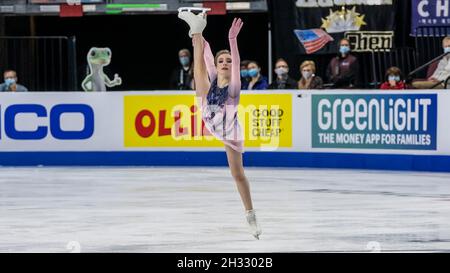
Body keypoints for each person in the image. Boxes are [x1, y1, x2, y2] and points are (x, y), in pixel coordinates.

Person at [178, 10, 261, 239]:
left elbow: (231, 64)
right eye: (221, 60)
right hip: (208, 114)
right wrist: (201, 39)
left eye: (229, 61)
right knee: (199, 70)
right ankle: (196, 30)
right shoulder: (213, 77)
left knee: (238, 175)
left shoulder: (234, 87)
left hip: (230, 131)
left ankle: (250, 215)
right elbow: (206, 56)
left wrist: (232, 41)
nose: (225, 63)